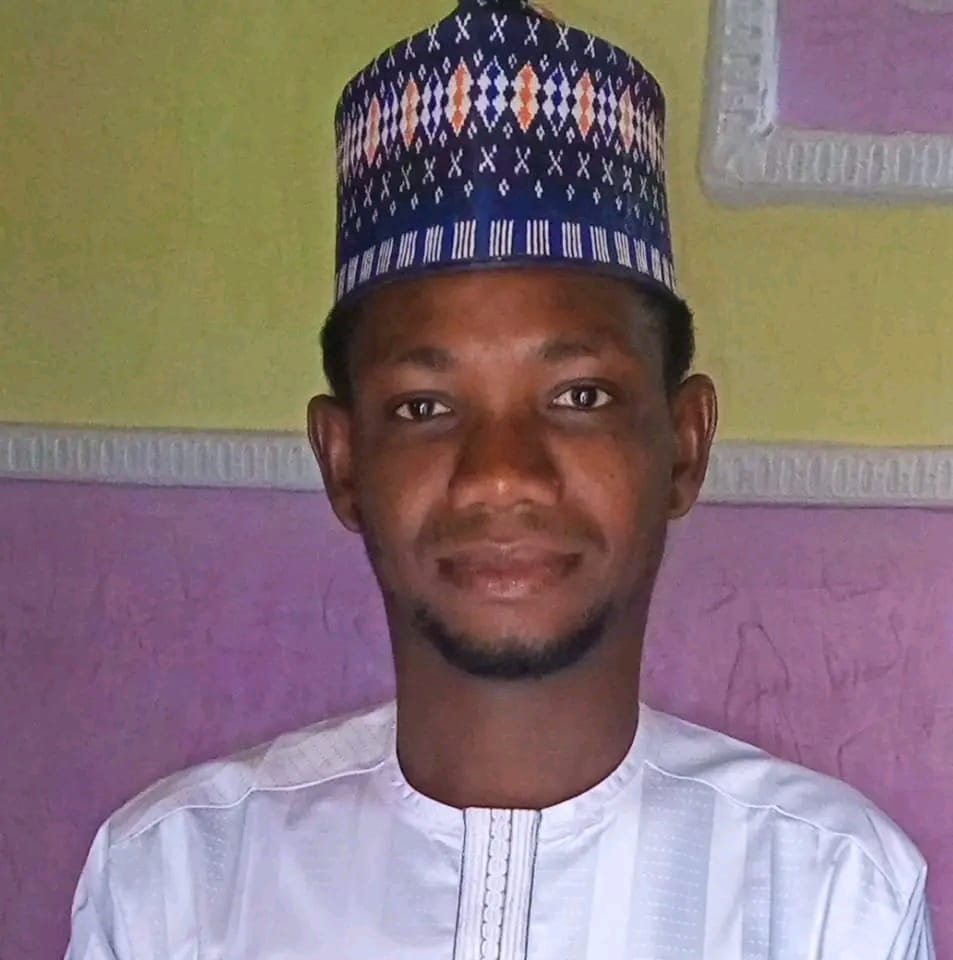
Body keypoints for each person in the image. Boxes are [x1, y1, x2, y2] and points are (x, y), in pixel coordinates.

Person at [66, 1, 935, 957]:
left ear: (683, 446)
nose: (499, 476)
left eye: (578, 396)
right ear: (343, 459)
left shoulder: (825, 893)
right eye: (424, 407)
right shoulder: (176, 883)